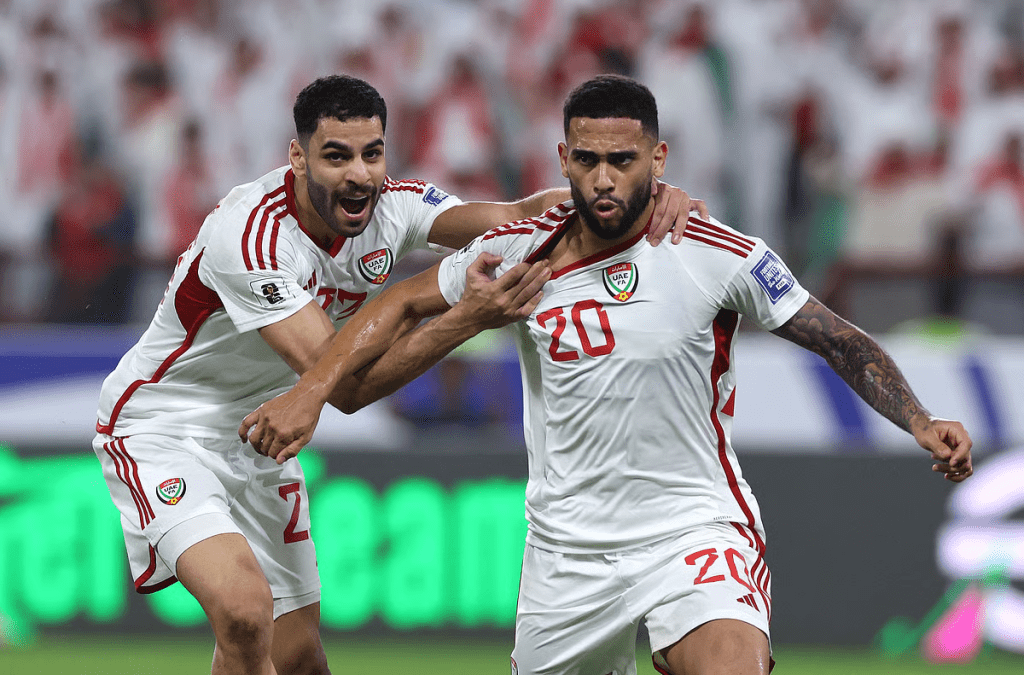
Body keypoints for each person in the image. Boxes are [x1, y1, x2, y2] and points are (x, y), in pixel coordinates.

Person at [240, 74, 974, 675]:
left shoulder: (715, 250)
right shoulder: (522, 252)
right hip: (566, 553)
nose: (603, 177)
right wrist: (315, 388)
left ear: (659, 158)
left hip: (692, 528)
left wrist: (919, 418)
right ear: (563, 158)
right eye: (587, 159)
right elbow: (402, 298)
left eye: (622, 160)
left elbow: (835, 338)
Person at [91, 74, 703, 675]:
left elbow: (524, 212)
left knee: (296, 655)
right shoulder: (249, 237)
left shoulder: (397, 208)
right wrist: (467, 318)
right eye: (336, 156)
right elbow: (344, 385)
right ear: (297, 159)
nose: (359, 174)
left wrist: (652, 193)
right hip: (163, 428)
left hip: (259, 440)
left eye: (372, 153)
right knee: (245, 615)